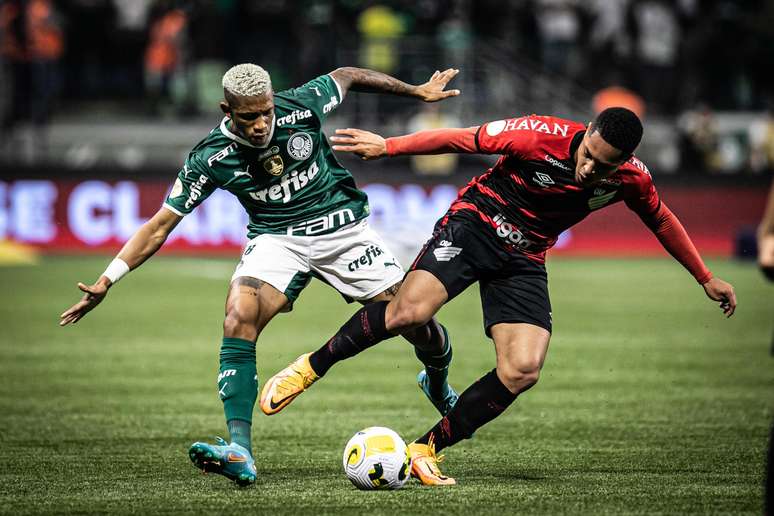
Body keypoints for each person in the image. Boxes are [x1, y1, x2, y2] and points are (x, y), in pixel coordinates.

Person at [261, 107, 738, 485]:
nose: (590, 167)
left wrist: (704, 277)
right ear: (587, 131)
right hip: (477, 223)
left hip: (525, 257)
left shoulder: (632, 178)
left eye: (604, 164)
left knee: (523, 369)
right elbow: (459, 137)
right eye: (588, 153)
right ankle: (309, 367)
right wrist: (389, 146)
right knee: (410, 313)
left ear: (624, 161)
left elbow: (660, 218)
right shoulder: (537, 134)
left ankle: (425, 448)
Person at [59, 63, 462, 486]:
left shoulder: (301, 105)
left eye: (265, 112)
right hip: (277, 240)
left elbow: (347, 74)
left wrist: (416, 92)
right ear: (227, 110)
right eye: (248, 116)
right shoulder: (210, 158)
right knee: (238, 314)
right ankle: (240, 450)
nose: (260, 124)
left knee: (417, 320)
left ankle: (436, 382)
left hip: (343, 230)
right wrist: (107, 280)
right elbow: (160, 224)